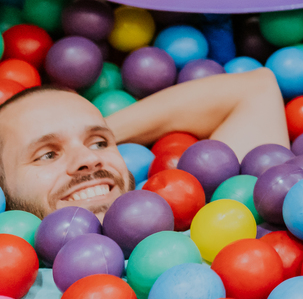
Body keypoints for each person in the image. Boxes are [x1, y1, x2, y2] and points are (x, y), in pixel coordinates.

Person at [0, 68, 288, 221]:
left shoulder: (209, 220)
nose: (87, 159)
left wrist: (100, 130)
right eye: (47, 154)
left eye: (99, 144)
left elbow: (256, 89)